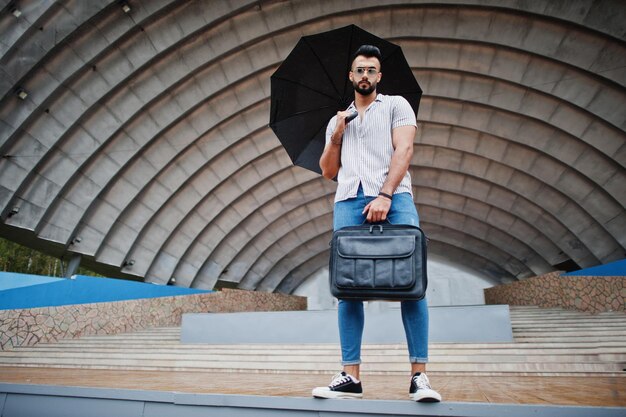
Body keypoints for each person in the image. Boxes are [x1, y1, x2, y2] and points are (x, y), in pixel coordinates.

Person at [311, 45, 441, 402]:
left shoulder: (397, 105)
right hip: (349, 201)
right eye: (359, 70)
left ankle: (420, 377)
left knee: (412, 283)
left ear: (378, 77)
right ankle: (350, 376)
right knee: (347, 289)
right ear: (350, 77)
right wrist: (337, 134)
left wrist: (385, 194)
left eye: (371, 70)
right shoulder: (338, 121)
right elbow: (328, 171)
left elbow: (405, 151)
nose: (365, 75)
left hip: (395, 198)